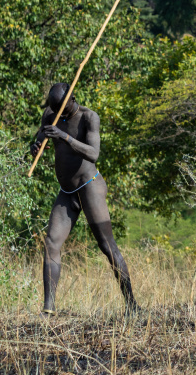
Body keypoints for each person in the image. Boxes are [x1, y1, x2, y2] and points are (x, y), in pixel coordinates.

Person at [30, 83, 138, 316]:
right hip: (66, 191)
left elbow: (93, 153)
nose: (58, 112)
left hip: (90, 187)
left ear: (72, 99)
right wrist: (36, 145)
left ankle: (132, 306)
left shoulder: (89, 117)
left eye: (62, 108)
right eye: (54, 108)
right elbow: (40, 138)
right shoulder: (50, 114)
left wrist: (64, 136)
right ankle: (48, 309)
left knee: (107, 246)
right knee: (51, 243)